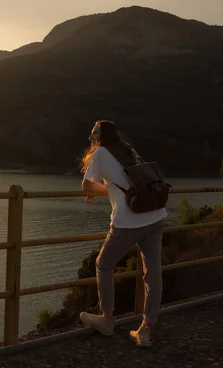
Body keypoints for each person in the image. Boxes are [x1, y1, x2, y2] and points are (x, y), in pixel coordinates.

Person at [78, 120, 167, 348]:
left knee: (103, 264)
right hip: (155, 214)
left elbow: (87, 185)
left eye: (94, 132)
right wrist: (108, 188)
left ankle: (107, 319)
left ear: (103, 135)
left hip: (129, 220)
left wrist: (97, 190)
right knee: (152, 273)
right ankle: (146, 329)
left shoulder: (101, 153)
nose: (91, 137)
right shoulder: (129, 150)